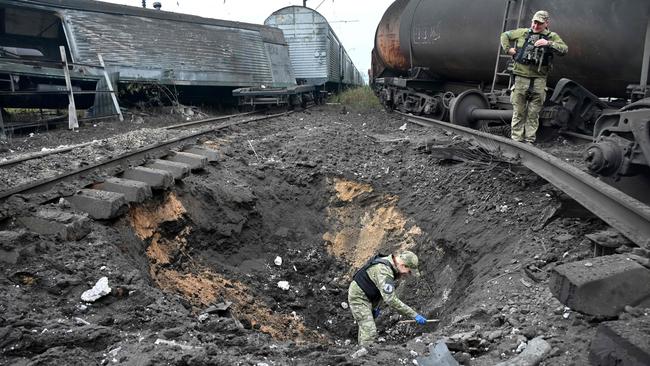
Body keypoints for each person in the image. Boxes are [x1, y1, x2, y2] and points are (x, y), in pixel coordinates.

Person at [500, 10, 568, 143]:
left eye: (540, 24)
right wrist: (508, 49)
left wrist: (548, 43)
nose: (536, 26)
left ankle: (529, 141)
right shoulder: (523, 32)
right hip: (521, 78)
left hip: (539, 80)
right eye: (534, 22)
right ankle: (516, 141)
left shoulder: (551, 36)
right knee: (518, 112)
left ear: (546, 23)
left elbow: (564, 49)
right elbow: (504, 35)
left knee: (533, 114)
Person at [347, 250, 427, 346]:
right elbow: (390, 299)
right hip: (358, 297)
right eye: (409, 271)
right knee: (370, 331)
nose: (408, 274)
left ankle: (361, 349)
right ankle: (364, 355)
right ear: (403, 265)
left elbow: (380, 290)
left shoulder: (390, 266)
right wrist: (414, 315)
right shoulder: (384, 271)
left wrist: (375, 307)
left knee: (366, 327)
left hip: (368, 296)